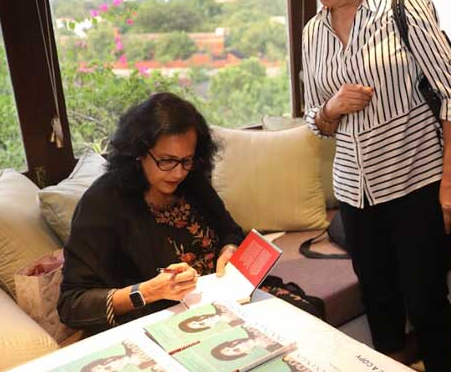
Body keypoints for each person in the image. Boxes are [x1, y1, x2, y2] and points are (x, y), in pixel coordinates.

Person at [296, 0, 451, 372]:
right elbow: (315, 120)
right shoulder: (313, 33)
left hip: (416, 181)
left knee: (426, 297)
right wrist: (331, 109)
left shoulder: (403, 4)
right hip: (355, 192)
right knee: (378, 296)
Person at [58, 93, 320, 334]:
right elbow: (72, 304)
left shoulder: (191, 181)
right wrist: (148, 291)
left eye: (186, 160)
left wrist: (228, 250)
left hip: (231, 300)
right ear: (138, 152)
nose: (177, 173)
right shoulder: (103, 203)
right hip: (170, 321)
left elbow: (230, 230)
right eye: (166, 160)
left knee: (305, 320)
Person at [211, 327, 281, 361]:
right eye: (236, 350)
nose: (238, 345)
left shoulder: (247, 326)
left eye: (230, 345)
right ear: (246, 353)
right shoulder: (276, 349)